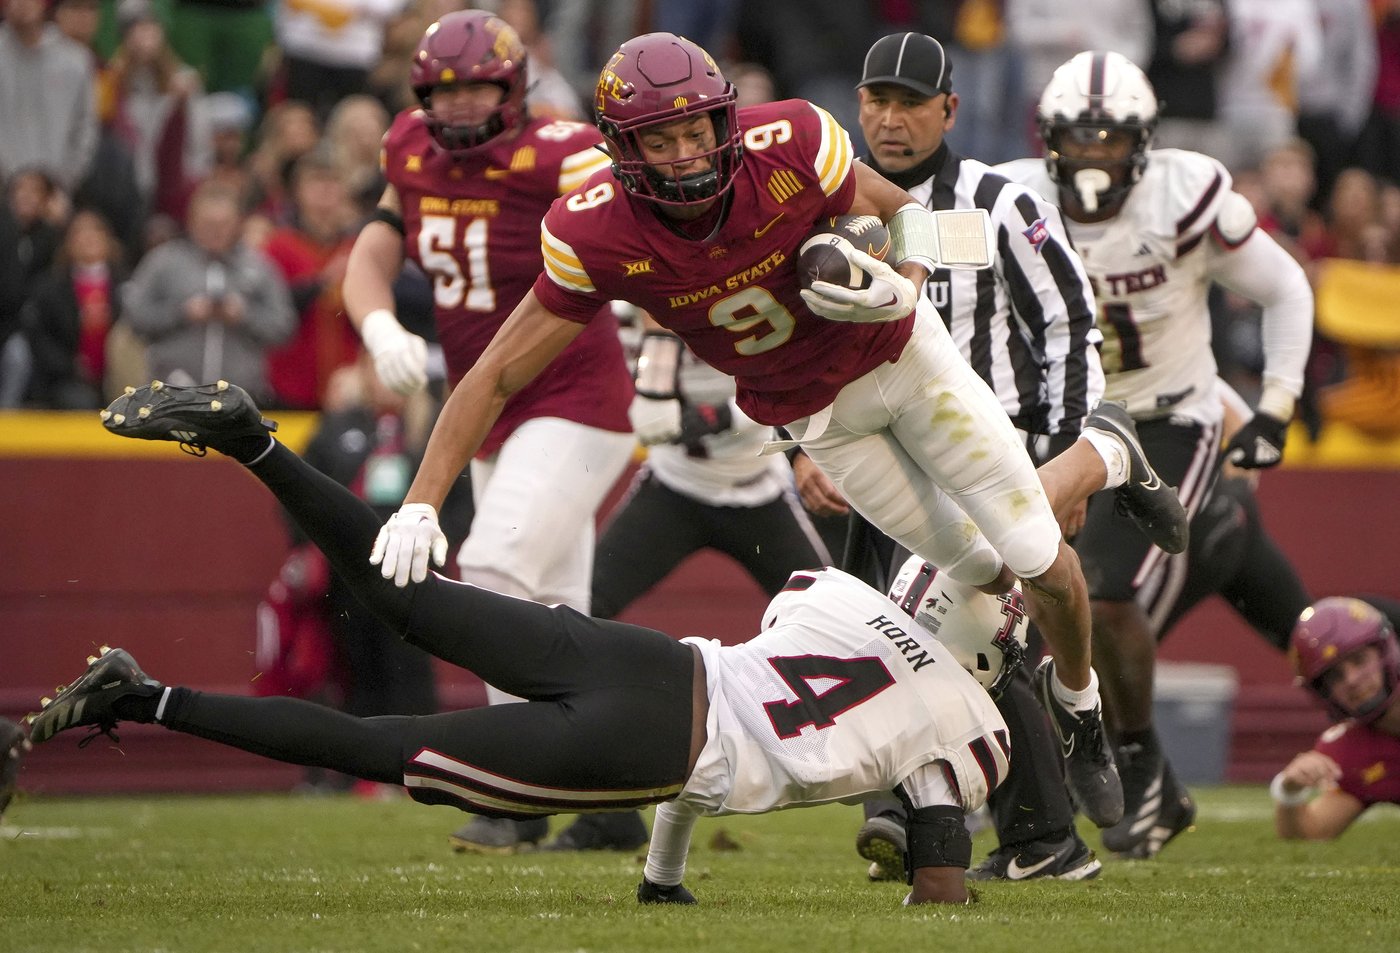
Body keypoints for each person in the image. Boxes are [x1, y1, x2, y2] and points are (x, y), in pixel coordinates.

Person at [372, 31, 1204, 832]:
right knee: (984, 571)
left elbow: (910, 214)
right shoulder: (595, 228)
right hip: (819, 418)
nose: (688, 153)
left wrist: (903, 284)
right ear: (624, 150)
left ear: (724, 119)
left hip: (907, 362)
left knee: (1032, 552)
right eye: (660, 141)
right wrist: (421, 502)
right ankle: (1107, 450)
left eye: (698, 129)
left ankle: (1082, 702)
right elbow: (496, 372)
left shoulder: (794, 140)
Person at [36, 378, 1028, 907]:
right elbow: (937, 859)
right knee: (389, 743)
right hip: (654, 745)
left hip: (651, 660)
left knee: (417, 599)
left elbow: (740, 710)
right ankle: (140, 696)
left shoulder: (838, 596)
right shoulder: (966, 715)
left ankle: (257, 442)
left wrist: (663, 879)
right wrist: (941, 882)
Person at [996, 50, 1315, 857]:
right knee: (1025, 603)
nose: (1096, 156)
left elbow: (1285, 287)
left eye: (1112, 139)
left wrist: (1275, 401)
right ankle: (1044, 784)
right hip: (1065, 422)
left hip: (1170, 415)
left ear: (1142, 141)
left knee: (1102, 597)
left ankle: (1137, 763)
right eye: (1080, 138)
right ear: (1049, 139)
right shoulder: (1010, 197)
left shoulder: (1186, 194)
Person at [341, 9, 635, 853]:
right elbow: (374, 247)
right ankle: (611, 793)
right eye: (447, 90)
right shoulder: (409, 149)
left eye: (478, 87)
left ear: (513, 89)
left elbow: (631, 210)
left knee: (497, 564)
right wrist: (378, 327)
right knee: (560, 607)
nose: (463, 105)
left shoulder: (561, 153)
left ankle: (519, 785)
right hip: (488, 410)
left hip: (577, 396)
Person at [830, 30, 1107, 882]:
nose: (891, 118)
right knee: (890, 631)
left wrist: (1066, 457)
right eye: (876, 100)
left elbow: (1065, 326)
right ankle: (959, 826)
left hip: (987, 463)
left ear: (951, 108)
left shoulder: (997, 201)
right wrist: (798, 444)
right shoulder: (831, 208)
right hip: (878, 464)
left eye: (912, 102)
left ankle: (1002, 831)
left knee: (963, 643)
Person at [1275, 598, 1400, 840]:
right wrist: (1290, 790)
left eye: (1359, 660)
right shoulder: (1349, 750)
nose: (1352, 680)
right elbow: (1310, 833)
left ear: (1386, 650)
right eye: (1335, 676)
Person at [0, 717, 28, 823]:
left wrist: (22, 741)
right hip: (6, 755)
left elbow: (18, 732)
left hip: (7, 760)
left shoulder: (6, 726)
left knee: (9, 786)